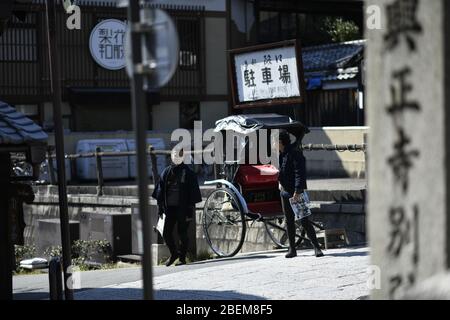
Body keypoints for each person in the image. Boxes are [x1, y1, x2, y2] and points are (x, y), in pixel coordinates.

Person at [277, 130, 324, 258]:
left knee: (304, 220)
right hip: (285, 192)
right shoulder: (280, 155)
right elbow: (280, 171)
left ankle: (317, 247)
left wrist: (298, 191)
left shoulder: (294, 153)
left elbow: (300, 173)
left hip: (296, 192)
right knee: (289, 221)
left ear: (280, 142)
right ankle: (292, 249)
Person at [152, 148, 202, 266]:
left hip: (183, 209)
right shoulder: (167, 172)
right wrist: (160, 207)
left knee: (182, 233)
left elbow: (193, 194)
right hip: (169, 208)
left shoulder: (188, 173)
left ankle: (182, 258)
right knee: (166, 233)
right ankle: (174, 253)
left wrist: (190, 210)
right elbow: (160, 191)